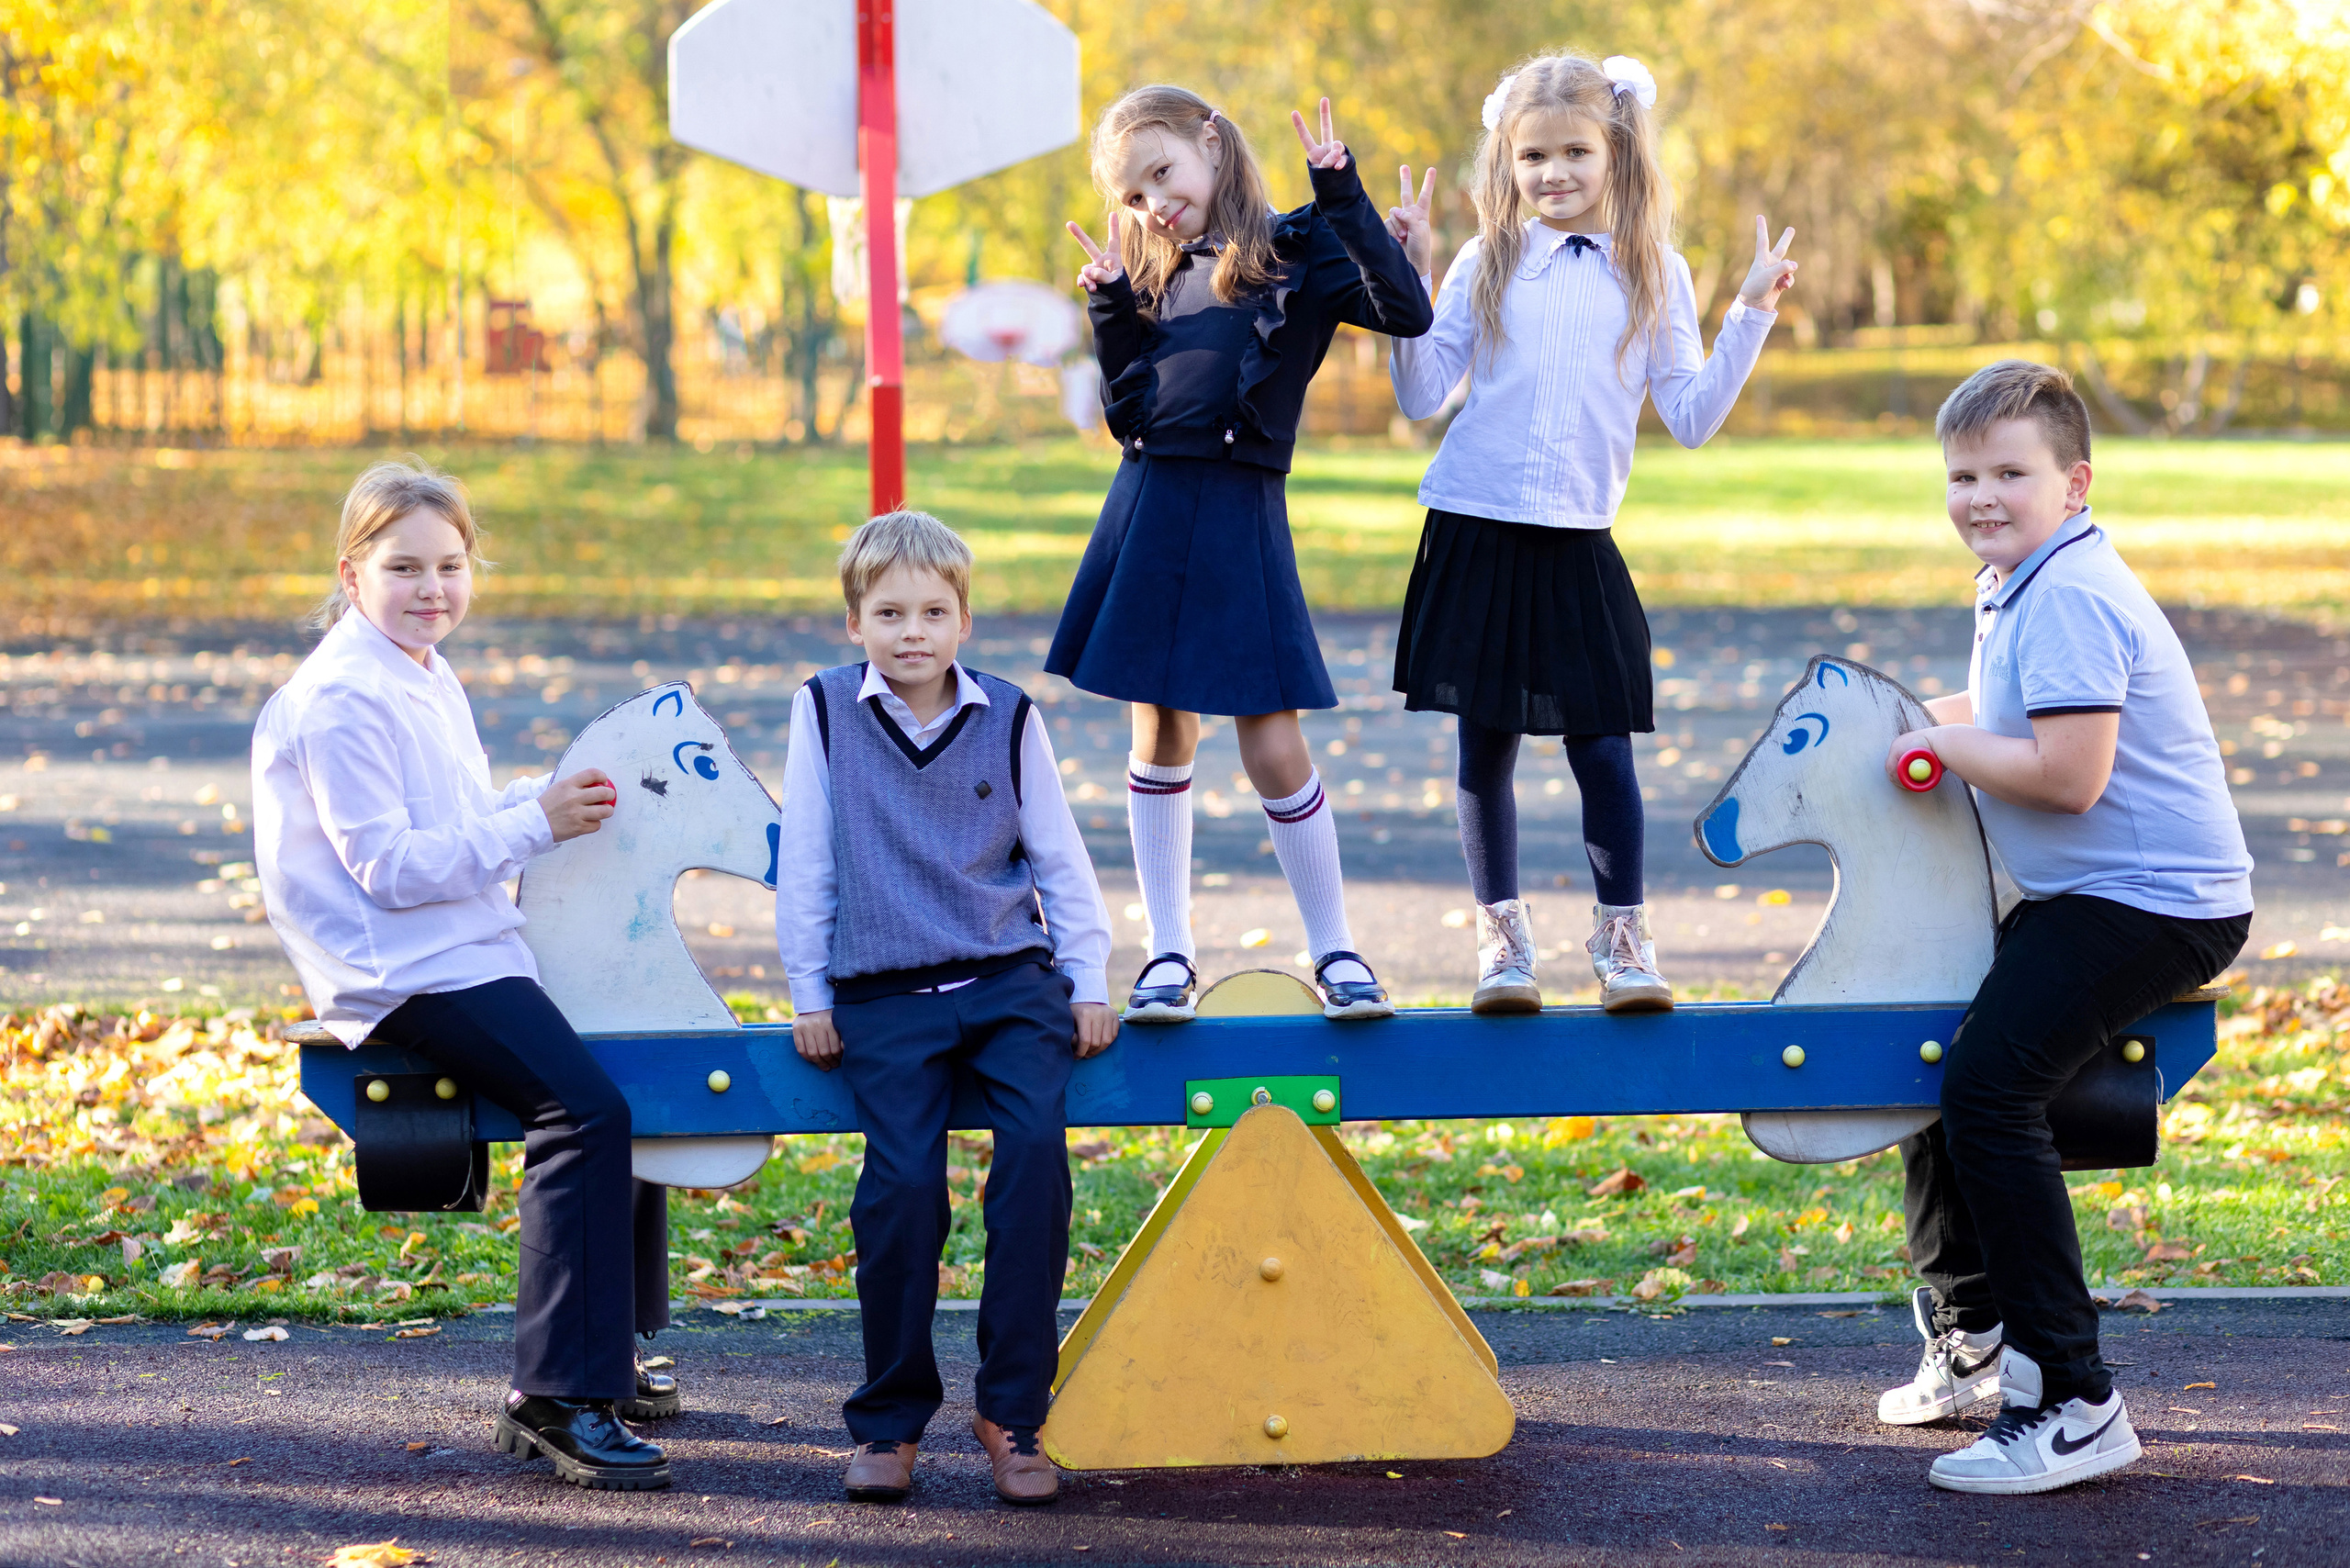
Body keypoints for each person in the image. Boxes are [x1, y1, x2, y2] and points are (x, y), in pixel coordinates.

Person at [252, 459, 676, 1491]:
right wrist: (535, 823)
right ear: (352, 572)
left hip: (457, 942)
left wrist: (549, 794)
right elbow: (387, 870)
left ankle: (608, 1345)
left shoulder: (421, 669)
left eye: (450, 564)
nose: (432, 586)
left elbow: (453, 818)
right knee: (581, 1112)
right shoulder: (345, 697)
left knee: (619, 1068)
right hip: (400, 965)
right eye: (404, 566)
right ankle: (557, 1397)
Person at [1875, 361, 2252, 1494]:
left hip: (2154, 901)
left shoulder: (2074, 592)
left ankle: (2078, 1402)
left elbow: (2067, 772)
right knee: (1930, 1037)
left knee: (1989, 1089)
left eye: (2010, 472)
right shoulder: (2018, 578)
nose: (1981, 494)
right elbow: (2000, 713)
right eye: (1961, 474)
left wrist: (1927, 751)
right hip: (2089, 895)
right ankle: (1977, 1329)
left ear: (2073, 482)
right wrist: (1877, 717)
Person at [1386, 52, 1797, 1014]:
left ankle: (1624, 943)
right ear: (1507, 163)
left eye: (1573, 151)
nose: (1552, 173)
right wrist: (1405, 275)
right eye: (1532, 157)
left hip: (1577, 541)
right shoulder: (1483, 261)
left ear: (1614, 154)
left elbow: (1690, 415)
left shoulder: (1656, 273)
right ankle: (1501, 947)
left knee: (1601, 747)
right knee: (1483, 749)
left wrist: (1750, 312)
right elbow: (1417, 393)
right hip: (1475, 529)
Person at [1051, 86, 1434, 1024]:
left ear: (1211, 144)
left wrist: (1339, 191)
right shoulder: (1153, 274)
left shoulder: (1302, 251)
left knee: (1271, 738)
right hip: (1150, 505)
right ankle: (1167, 954)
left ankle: (1337, 947)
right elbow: (1130, 415)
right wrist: (1109, 312)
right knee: (1161, 731)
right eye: (1135, 194)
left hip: (1241, 510)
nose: (1153, 204)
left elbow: (1406, 311)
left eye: (1162, 173)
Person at [777, 511, 1118, 1506]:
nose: (911, 630)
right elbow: (808, 862)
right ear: (855, 623)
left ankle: (1014, 1413)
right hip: (884, 993)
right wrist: (810, 992)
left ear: (964, 620)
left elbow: (1058, 854)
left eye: (932, 611)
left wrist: (1088, 978)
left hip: (1010, 984)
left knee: (1031, 1168)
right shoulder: (826, 711)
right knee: (901, 1193)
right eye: (889, 612)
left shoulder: (1009, 713)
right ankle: (888, 1419)